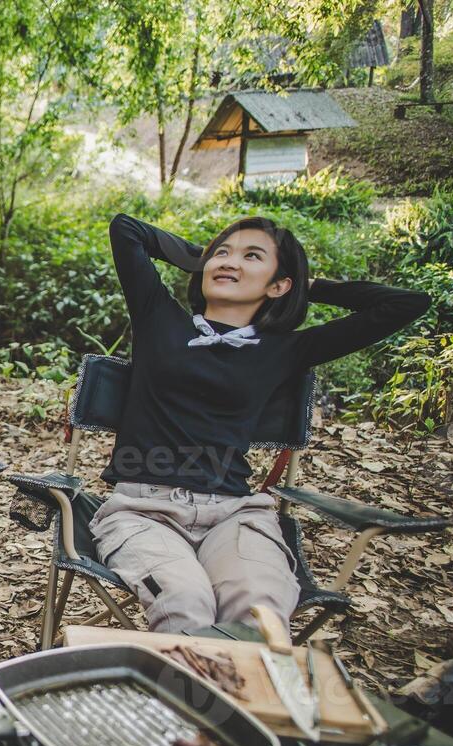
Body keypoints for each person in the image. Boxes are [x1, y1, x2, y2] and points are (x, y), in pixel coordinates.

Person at [91, 213, 432, 634]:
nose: (229, 262)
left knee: (259, 613)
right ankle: (187, 695)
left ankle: (242, 697)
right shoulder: (159, 316)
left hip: (234, 514)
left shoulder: (286, 349)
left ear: (278, 285)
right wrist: (207, 259)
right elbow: (127, 229)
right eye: (222, 253)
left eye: (252, 256)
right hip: (143, 511)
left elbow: (409, 302)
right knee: (184, 603)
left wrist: (306, 284)